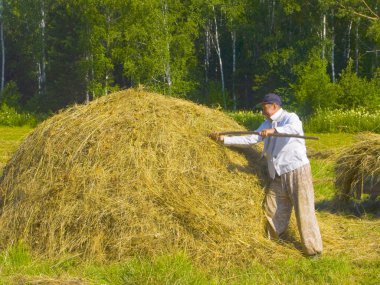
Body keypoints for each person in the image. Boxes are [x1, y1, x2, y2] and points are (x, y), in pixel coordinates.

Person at [209, 93, 323, 257]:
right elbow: (250, 139)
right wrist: (223, 139)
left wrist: (274, 130)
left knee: (304, 210)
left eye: (264, 107)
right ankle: (274, 242)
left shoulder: (290, 118)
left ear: (274, 106)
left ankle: (313, 251)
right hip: (277, 174)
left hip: (296, 171)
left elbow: (294, 129)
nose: (262, 111)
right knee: (271, 209)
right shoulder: (266, 124)